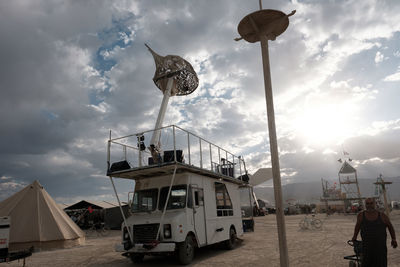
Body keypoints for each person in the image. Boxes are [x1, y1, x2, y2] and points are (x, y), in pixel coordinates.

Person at [352, 198, 397, 267]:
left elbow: (390, 227)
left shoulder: (382, 216)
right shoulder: (361, 215)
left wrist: (393, 239)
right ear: (365, 205)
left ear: (375, 204)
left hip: (380, 249)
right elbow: (357, 227)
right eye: (367, 204)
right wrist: (354, 237)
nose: (369, 205)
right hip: (367, 248)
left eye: (371, 203)